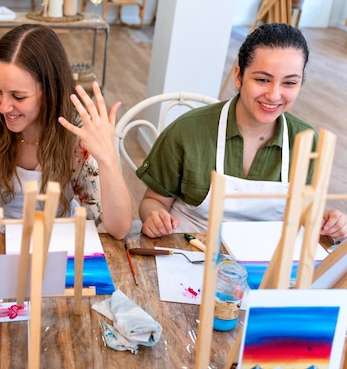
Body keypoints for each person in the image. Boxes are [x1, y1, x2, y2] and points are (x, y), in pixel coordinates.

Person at [137, 23, 347, 240]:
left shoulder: (306, 142)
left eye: (290, 83)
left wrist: (328, 222)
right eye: (262, 80)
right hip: (189, 251)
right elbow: (153, 201)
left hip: (265, 262)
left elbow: (303, 218)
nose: (274, 95)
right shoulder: (187, 131)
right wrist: (155, 216)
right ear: (239, 76)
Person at [0, 24, 132, 240]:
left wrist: (108, 159)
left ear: (50, 92)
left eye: (19, 96)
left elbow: (119, 229)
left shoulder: (78, 130)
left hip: (59, 238)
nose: (3, 107)